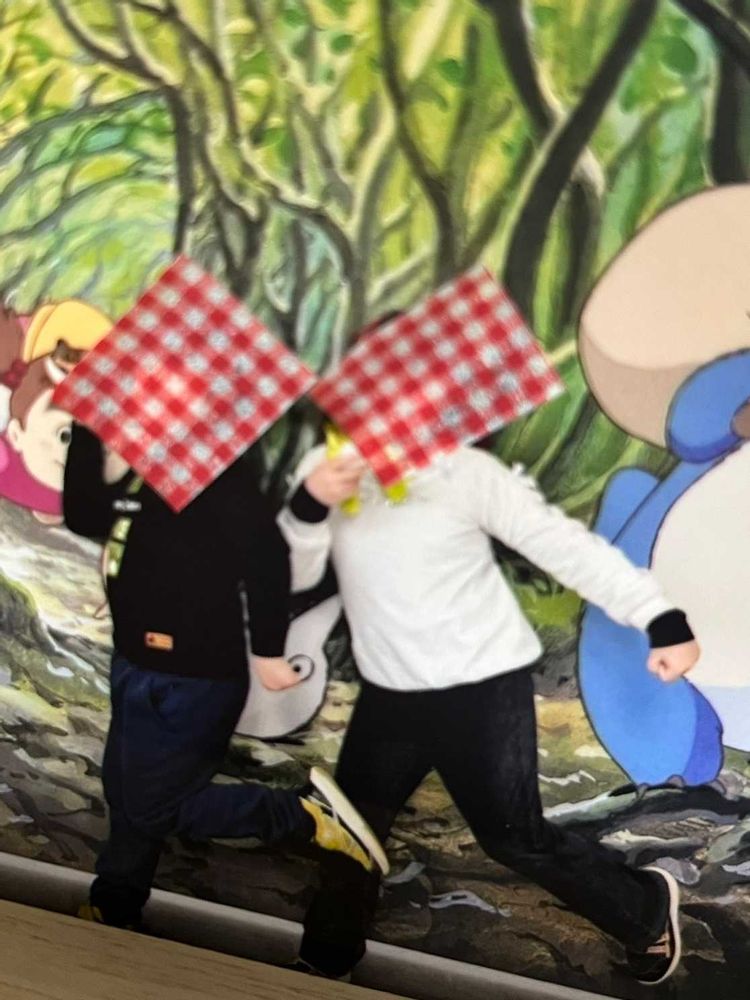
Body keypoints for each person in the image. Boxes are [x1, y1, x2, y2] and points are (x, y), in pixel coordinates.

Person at [279, 430, 700, 987]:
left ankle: (644, 909)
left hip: (480, 689)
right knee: (351, 833)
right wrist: (308, 509)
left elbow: (563, 545)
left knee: (512, 838)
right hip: (391, 692)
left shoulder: (466, 472)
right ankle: (324, 963)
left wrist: (660, 618)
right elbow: (295, 580)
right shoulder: (327, 467)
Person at [63, 422, 388, 931]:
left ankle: (303, 816)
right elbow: (86, 514)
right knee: (126, 793)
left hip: (194, 679)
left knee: (154, 808)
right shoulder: (146, 474)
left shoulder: (223, 482)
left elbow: (269, 561)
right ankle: (115, 901)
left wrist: (267, 653)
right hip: (136, 663)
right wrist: (87, 429)